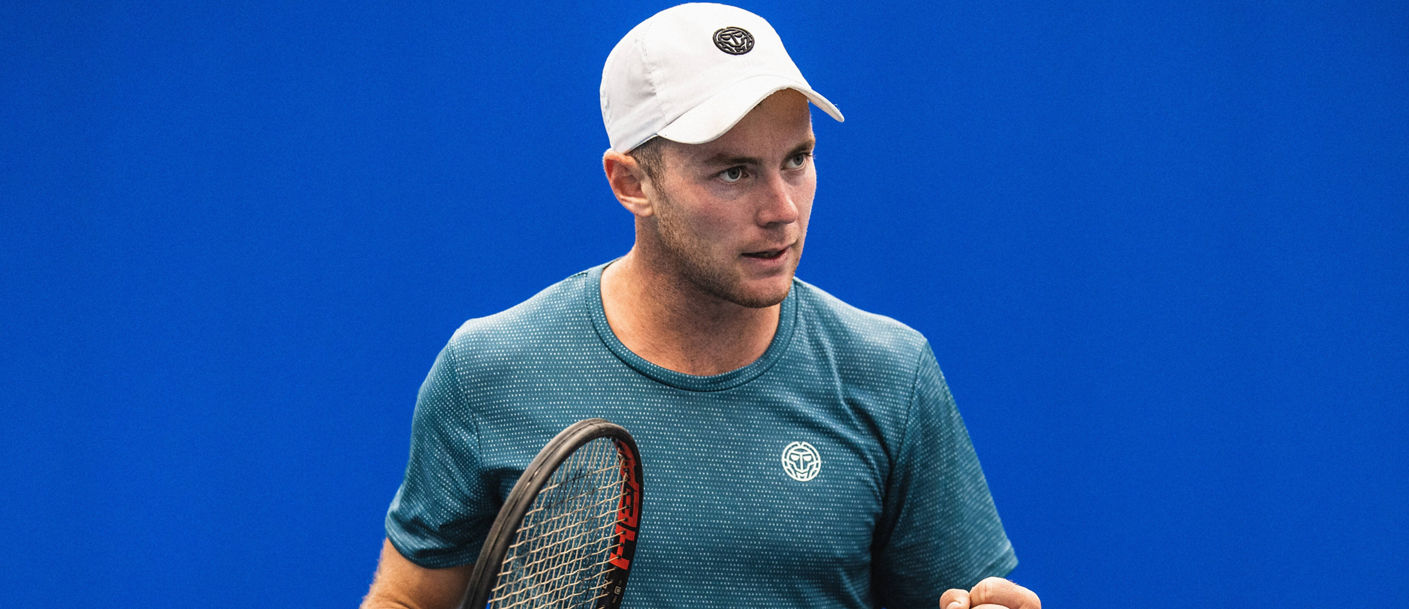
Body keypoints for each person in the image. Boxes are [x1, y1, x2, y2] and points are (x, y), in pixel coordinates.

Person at [361, 4, 1040, 609]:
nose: (782, 210)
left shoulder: (892, 373)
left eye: (797, 159)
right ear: (632, 183)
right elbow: (405, 598)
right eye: (733, 171)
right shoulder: (487, 371)